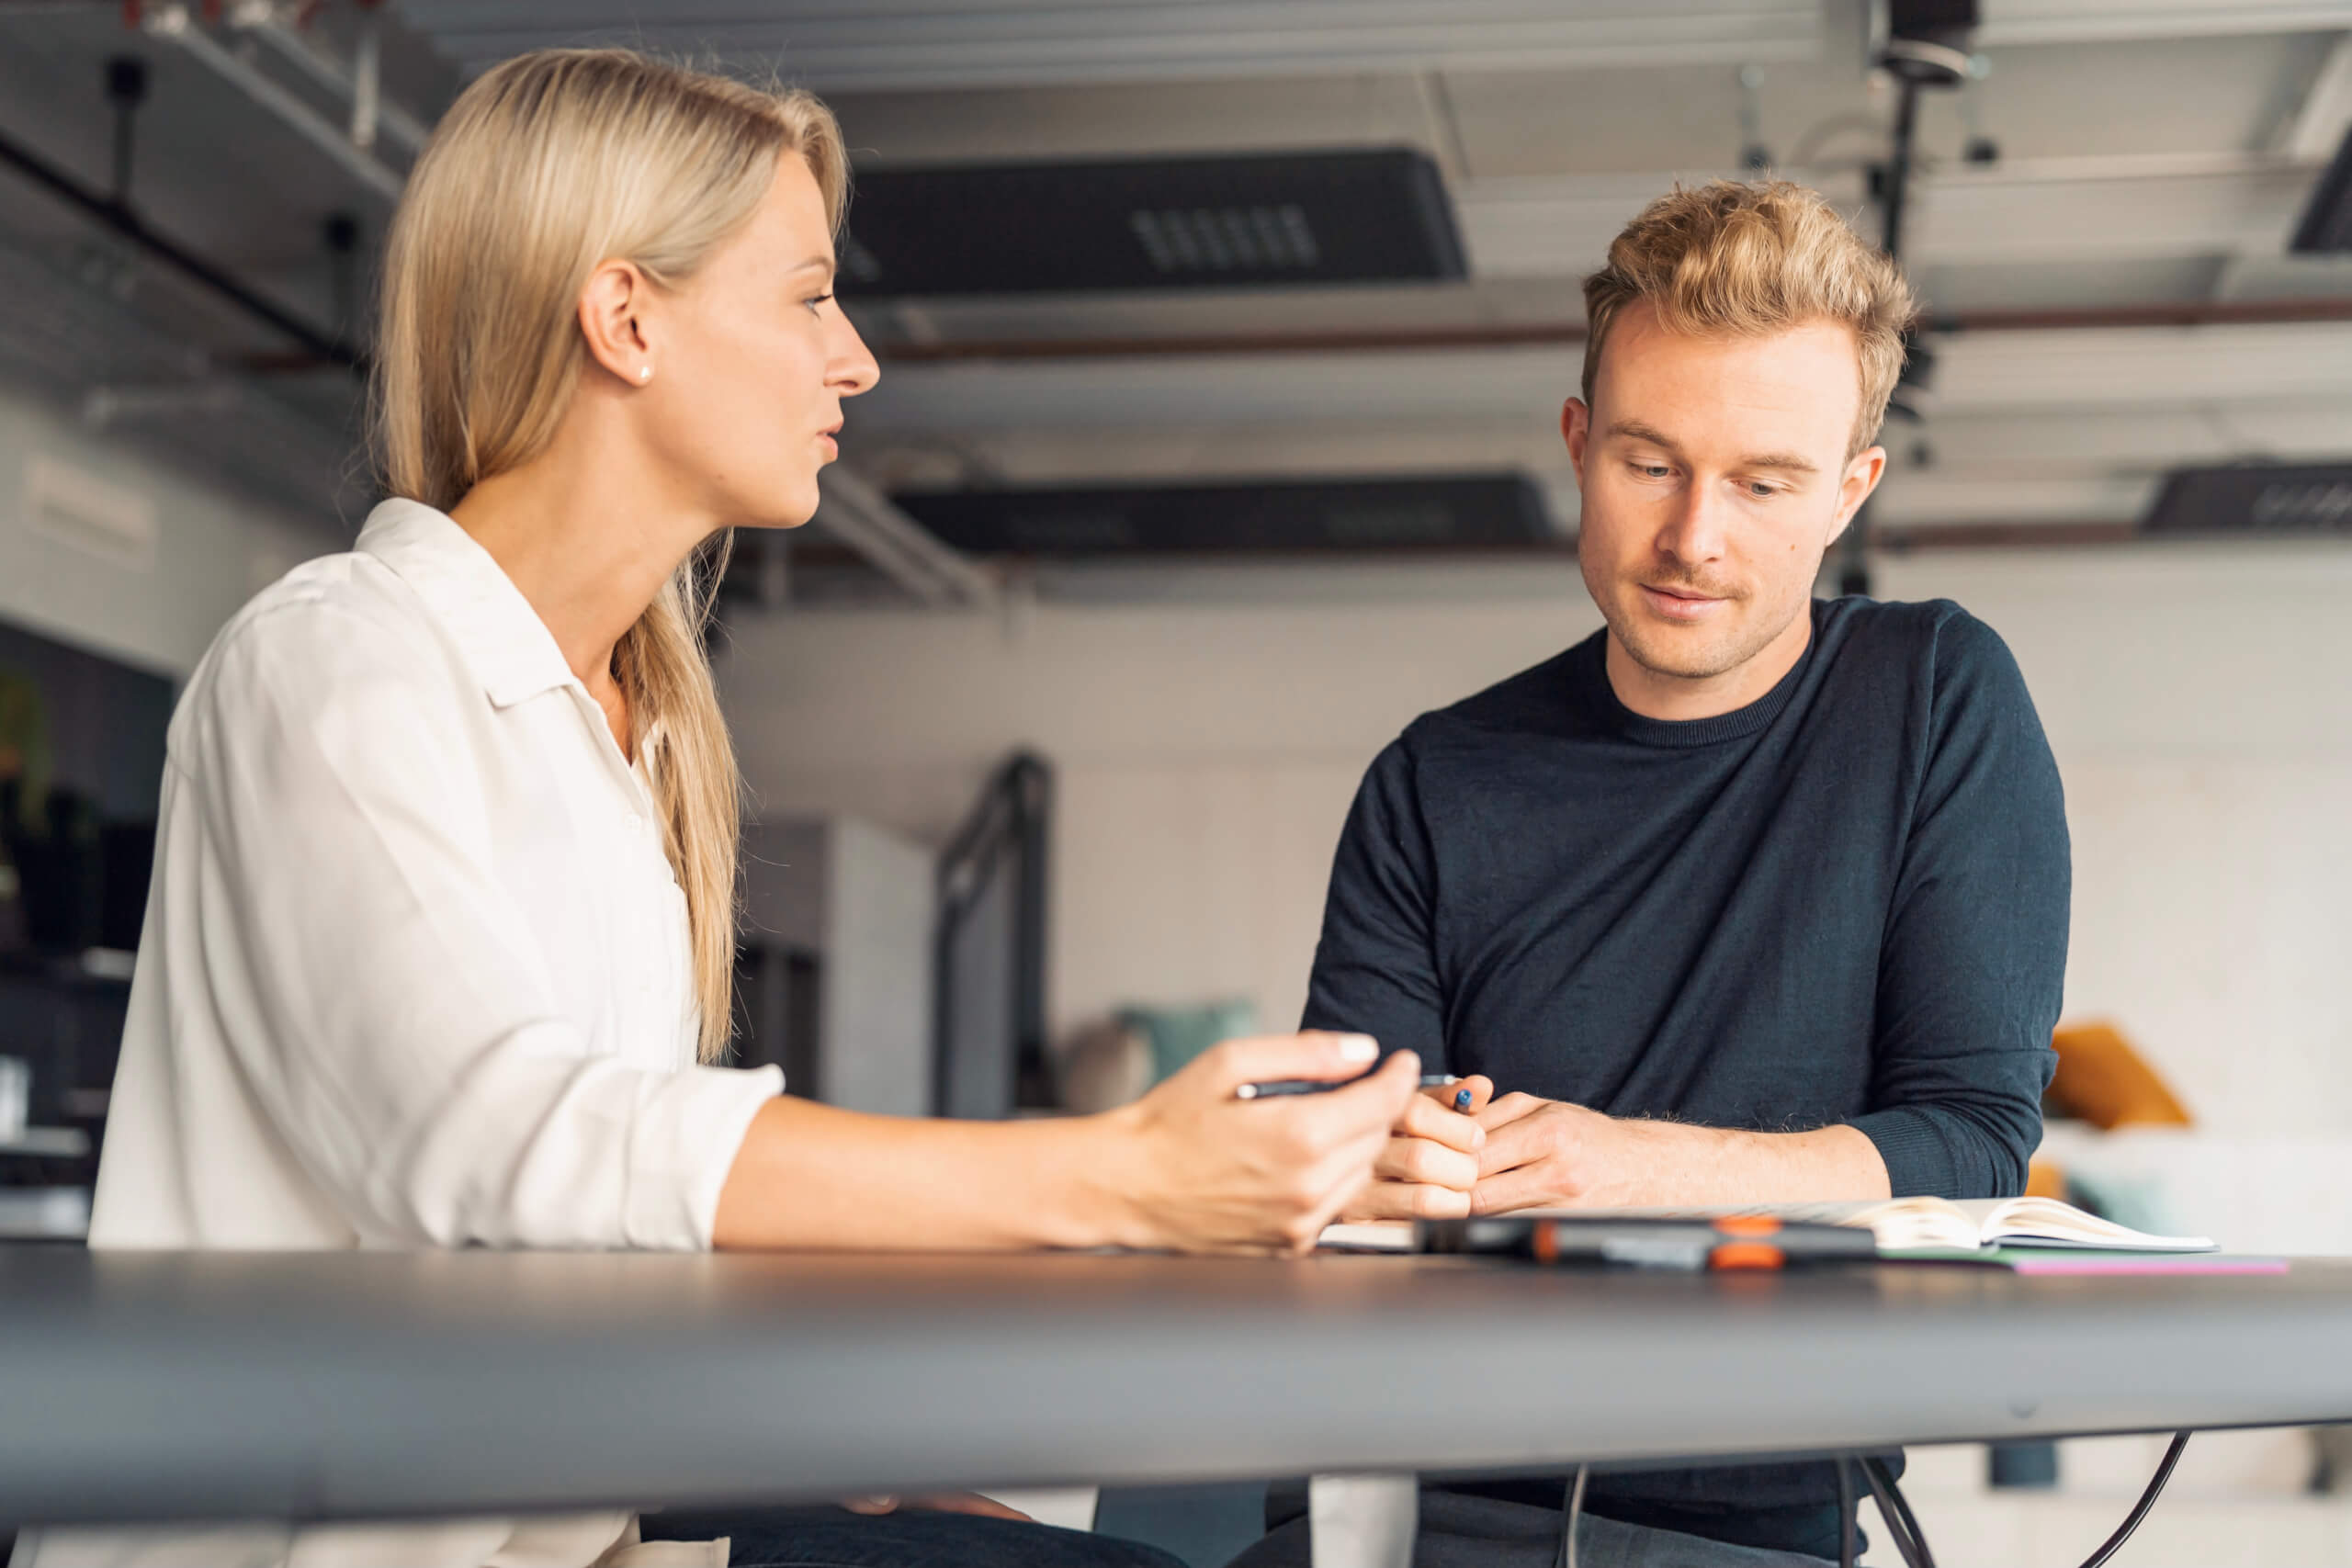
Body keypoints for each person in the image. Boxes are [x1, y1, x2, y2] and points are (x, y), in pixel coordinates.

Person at [11, 49, 1485, 1568]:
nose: (857, 360)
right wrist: (1120, 1176)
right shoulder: (332, 662)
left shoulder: (635, 735)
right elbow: (491, 1153)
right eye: (807, 296)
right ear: (627, 317)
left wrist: (842, 1441)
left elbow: (591, 1263)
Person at [1245, 181, 2070, 1566]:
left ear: (1850, 491)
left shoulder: (1934, 698)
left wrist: (1630, 1167)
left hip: (1758, 1521)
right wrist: (1384, 1161)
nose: (1695, 538)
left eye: (1764, 483)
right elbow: (1345, 1191)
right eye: (1650, 464)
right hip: (1409, 1495)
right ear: (1578, 445)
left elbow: (1973, 1143)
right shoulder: (1433, 784)